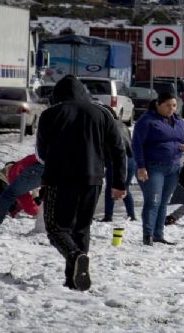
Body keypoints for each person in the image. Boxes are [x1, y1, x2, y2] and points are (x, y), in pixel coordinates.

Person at [38, 75, 127, 290]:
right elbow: (118, 149)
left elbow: (42, 151)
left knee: (56, 228)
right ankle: (74, 279)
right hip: (93, 178)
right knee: (81, 229)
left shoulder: (51, 114)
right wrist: (120, 183)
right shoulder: (102, 114)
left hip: (58, 179)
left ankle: (75, 255)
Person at [133, 91, 184, 246]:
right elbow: (137, 144)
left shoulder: (178, 121)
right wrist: (140, 166)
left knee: (164, 202)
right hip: (153, 167)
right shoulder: (147, 120)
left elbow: (183, 139)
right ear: (158, 104)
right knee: (153, 202)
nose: (171, 109)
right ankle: (148, 235)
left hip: (173, 167)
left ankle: (159, 234)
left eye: (174, 105)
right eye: (167, 105)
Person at [101, 110, 136, 222]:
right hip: (130, 158)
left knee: (110, 188)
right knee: (124, 187)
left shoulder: (106, 127)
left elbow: (106, 147)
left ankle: (108, 215)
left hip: (116, 159)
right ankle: (131, 214)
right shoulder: (122, 125)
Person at [0, 154, 42, 233]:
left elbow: (27, 202)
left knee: (8, 196)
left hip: (42, 166)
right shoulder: (18, 168)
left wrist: (37, 212)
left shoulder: (14, 175)